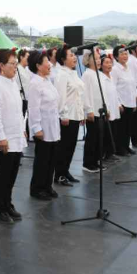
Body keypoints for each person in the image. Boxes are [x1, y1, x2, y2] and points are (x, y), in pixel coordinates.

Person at [0, 48, 26, 224]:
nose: (15, 67)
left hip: (15, 135)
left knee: (12, 173)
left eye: (16, 63)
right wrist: (1, 137)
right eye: (12, 64)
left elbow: (18, 111)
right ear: (1, 65)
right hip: (5, 138)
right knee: (3, 174)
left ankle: (7, 203)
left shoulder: (12, 83)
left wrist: (22, 129)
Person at [26, 50, 60, 200]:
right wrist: (36, 128)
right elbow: (33, 108)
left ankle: (47, 185)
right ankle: (37, 188)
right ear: (38, 66)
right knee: (42, 160)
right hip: (43, 128)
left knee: (52, 159)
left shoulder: (47, 80)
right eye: (46, 62)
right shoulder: (34, 83)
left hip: (53, 125)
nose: (50, 64)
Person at [54, 45, 85, 186]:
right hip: (67, 116)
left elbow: (78, 95)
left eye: (74, 55)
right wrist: (63, 115)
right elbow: (61, 97)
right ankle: (59, 174)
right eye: (70, 55)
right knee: (64, 147)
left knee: (71, 146)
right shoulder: (61, 75)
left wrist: (81, 113)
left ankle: (65, 171)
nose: (74, 57)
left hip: (76, 115)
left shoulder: (73, 73)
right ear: (63, 59)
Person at [81, 49, 107, 173]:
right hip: (92, 111)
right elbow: (85, 94)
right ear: (89, 61)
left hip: (100, 110)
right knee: (92, 138)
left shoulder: (99, 74)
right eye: (96, 59)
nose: (99, 61)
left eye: (99, 58)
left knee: (99, 138)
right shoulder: (87, 74)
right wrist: (89, 110)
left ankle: (96, 160)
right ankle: (88, 163)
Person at [111, 45, 137, 156]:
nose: (125, 56)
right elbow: (113, 87)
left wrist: (135, 98)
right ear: (116, 57)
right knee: (121, 128)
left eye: (126, 53)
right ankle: (120, 149)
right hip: (122, 103)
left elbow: (132, 84)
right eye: (121, 54)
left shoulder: (128, 68)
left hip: (130, 101)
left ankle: (126, 146)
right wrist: (118, 103)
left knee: (128, 127)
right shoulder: (115, 70)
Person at [99, 54, 122, 161]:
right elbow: (103, 95)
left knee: (114, 130)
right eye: (106, 63)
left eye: (110, 62)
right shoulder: (101, 78)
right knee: (107, 133)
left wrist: (119, 104)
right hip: (107, 108)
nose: (109, 65)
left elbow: (115, 92)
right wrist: (107, 109)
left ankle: (111, 153)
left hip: (114, 106)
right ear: (101, 65)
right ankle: (105, 154)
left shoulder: (111, 77)